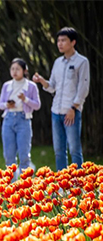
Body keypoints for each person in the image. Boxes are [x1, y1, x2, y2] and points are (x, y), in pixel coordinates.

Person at [32, 27, 90, 171]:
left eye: (63, 40)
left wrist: (74, 108)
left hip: (71, 112)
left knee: (74, 150)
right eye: (58, 40)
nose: (60, 43)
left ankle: (79, 186)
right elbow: (52, 86)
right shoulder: (58, 62)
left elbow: (83, 88)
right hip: (56, 112)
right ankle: (61, 186)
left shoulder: (82, 62)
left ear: (73, 42)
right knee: (59, 151)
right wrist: (42, 81)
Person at [0, 58, 41, 173]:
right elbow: (0, 104)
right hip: (8, 119)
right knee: (8, 155)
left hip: (23, 119)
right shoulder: (6, 85)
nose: (14, 71)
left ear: (24, 70)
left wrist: (25, 99)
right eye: (12, 69)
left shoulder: (31, 86)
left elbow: (37, 105)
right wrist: (7, 104)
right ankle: (11, 186)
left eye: (17, 69)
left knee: (24, 154)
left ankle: (24, 185)